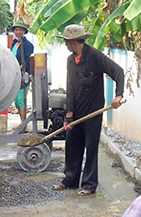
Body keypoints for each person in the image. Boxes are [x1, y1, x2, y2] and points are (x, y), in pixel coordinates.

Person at [51, 24, 124, 196]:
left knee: (91, 148)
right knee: (72, 145)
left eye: (67, 42)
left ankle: (89, 185)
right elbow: (71, 87)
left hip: (93, 112)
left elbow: (118, 71)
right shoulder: (71, 60)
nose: (66, 45)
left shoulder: (95, 56)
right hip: (76, 112)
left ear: (75, 41)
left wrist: (118, 95)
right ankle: (70, 180)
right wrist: (69, 114)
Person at [10, 20, 34, 126]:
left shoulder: (28, 45)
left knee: (21, 99)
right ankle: (22, 123)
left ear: (24, 31)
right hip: (15, 74)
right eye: (16, 30)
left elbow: (28, 59)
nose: (18, 32)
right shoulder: (14, 43)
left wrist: (20, 67)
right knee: (16, 100)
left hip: (23, 74)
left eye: (20, 30)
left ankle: (24, 124)